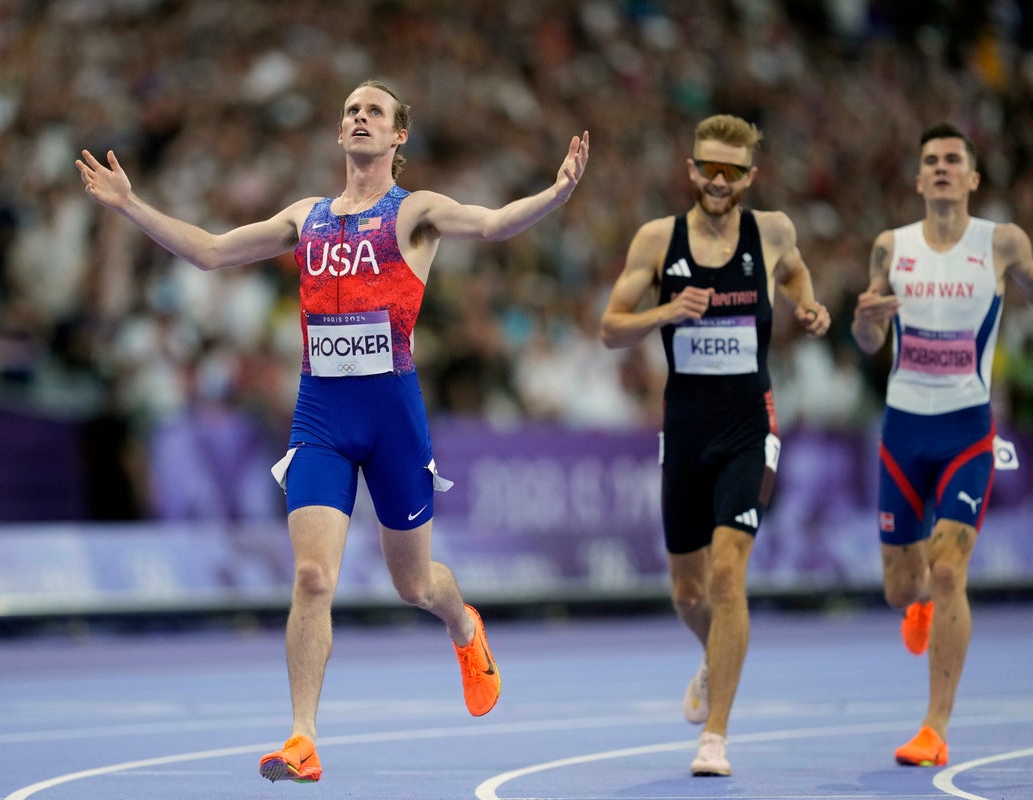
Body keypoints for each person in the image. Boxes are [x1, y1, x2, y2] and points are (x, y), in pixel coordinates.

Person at [76, 79, 589, 784]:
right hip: (320, 414)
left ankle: (463, 624)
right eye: (350, 109)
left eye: (373, 111)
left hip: (393, 418)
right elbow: (210, 252)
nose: (358, 117)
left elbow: (493, 223)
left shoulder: (416, 213)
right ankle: (303, 737)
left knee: (414, 584)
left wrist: (556, 195)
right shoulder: (306, 217)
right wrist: (131, 205)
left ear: (398, 135)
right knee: (313, 577)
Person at [599, 114, 829, 777]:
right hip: (685, 430)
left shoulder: (773, 230)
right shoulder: (657, 239)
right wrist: (666, 313)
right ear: (692, 170)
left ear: (750, 176)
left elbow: (793, 272)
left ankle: (716, 738)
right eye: (709, 168)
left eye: (733, 171)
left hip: (750, 430)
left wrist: (808, 305)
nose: (719, 180)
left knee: (729, 576)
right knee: (688, 592)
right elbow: (611, 329)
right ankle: (713, 657)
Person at [851, 123, 1033, 768]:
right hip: (903, 430)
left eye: (954, 159)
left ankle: (934, 727)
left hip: (966, 431)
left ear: (974, 177)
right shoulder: (890, 247)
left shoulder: (1002, 243)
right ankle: (920, 604)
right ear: (919, 178)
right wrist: (864, 324)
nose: (942, 168)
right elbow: (868, 342)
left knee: (950, 567)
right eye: (931, 160)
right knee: (903, 588)